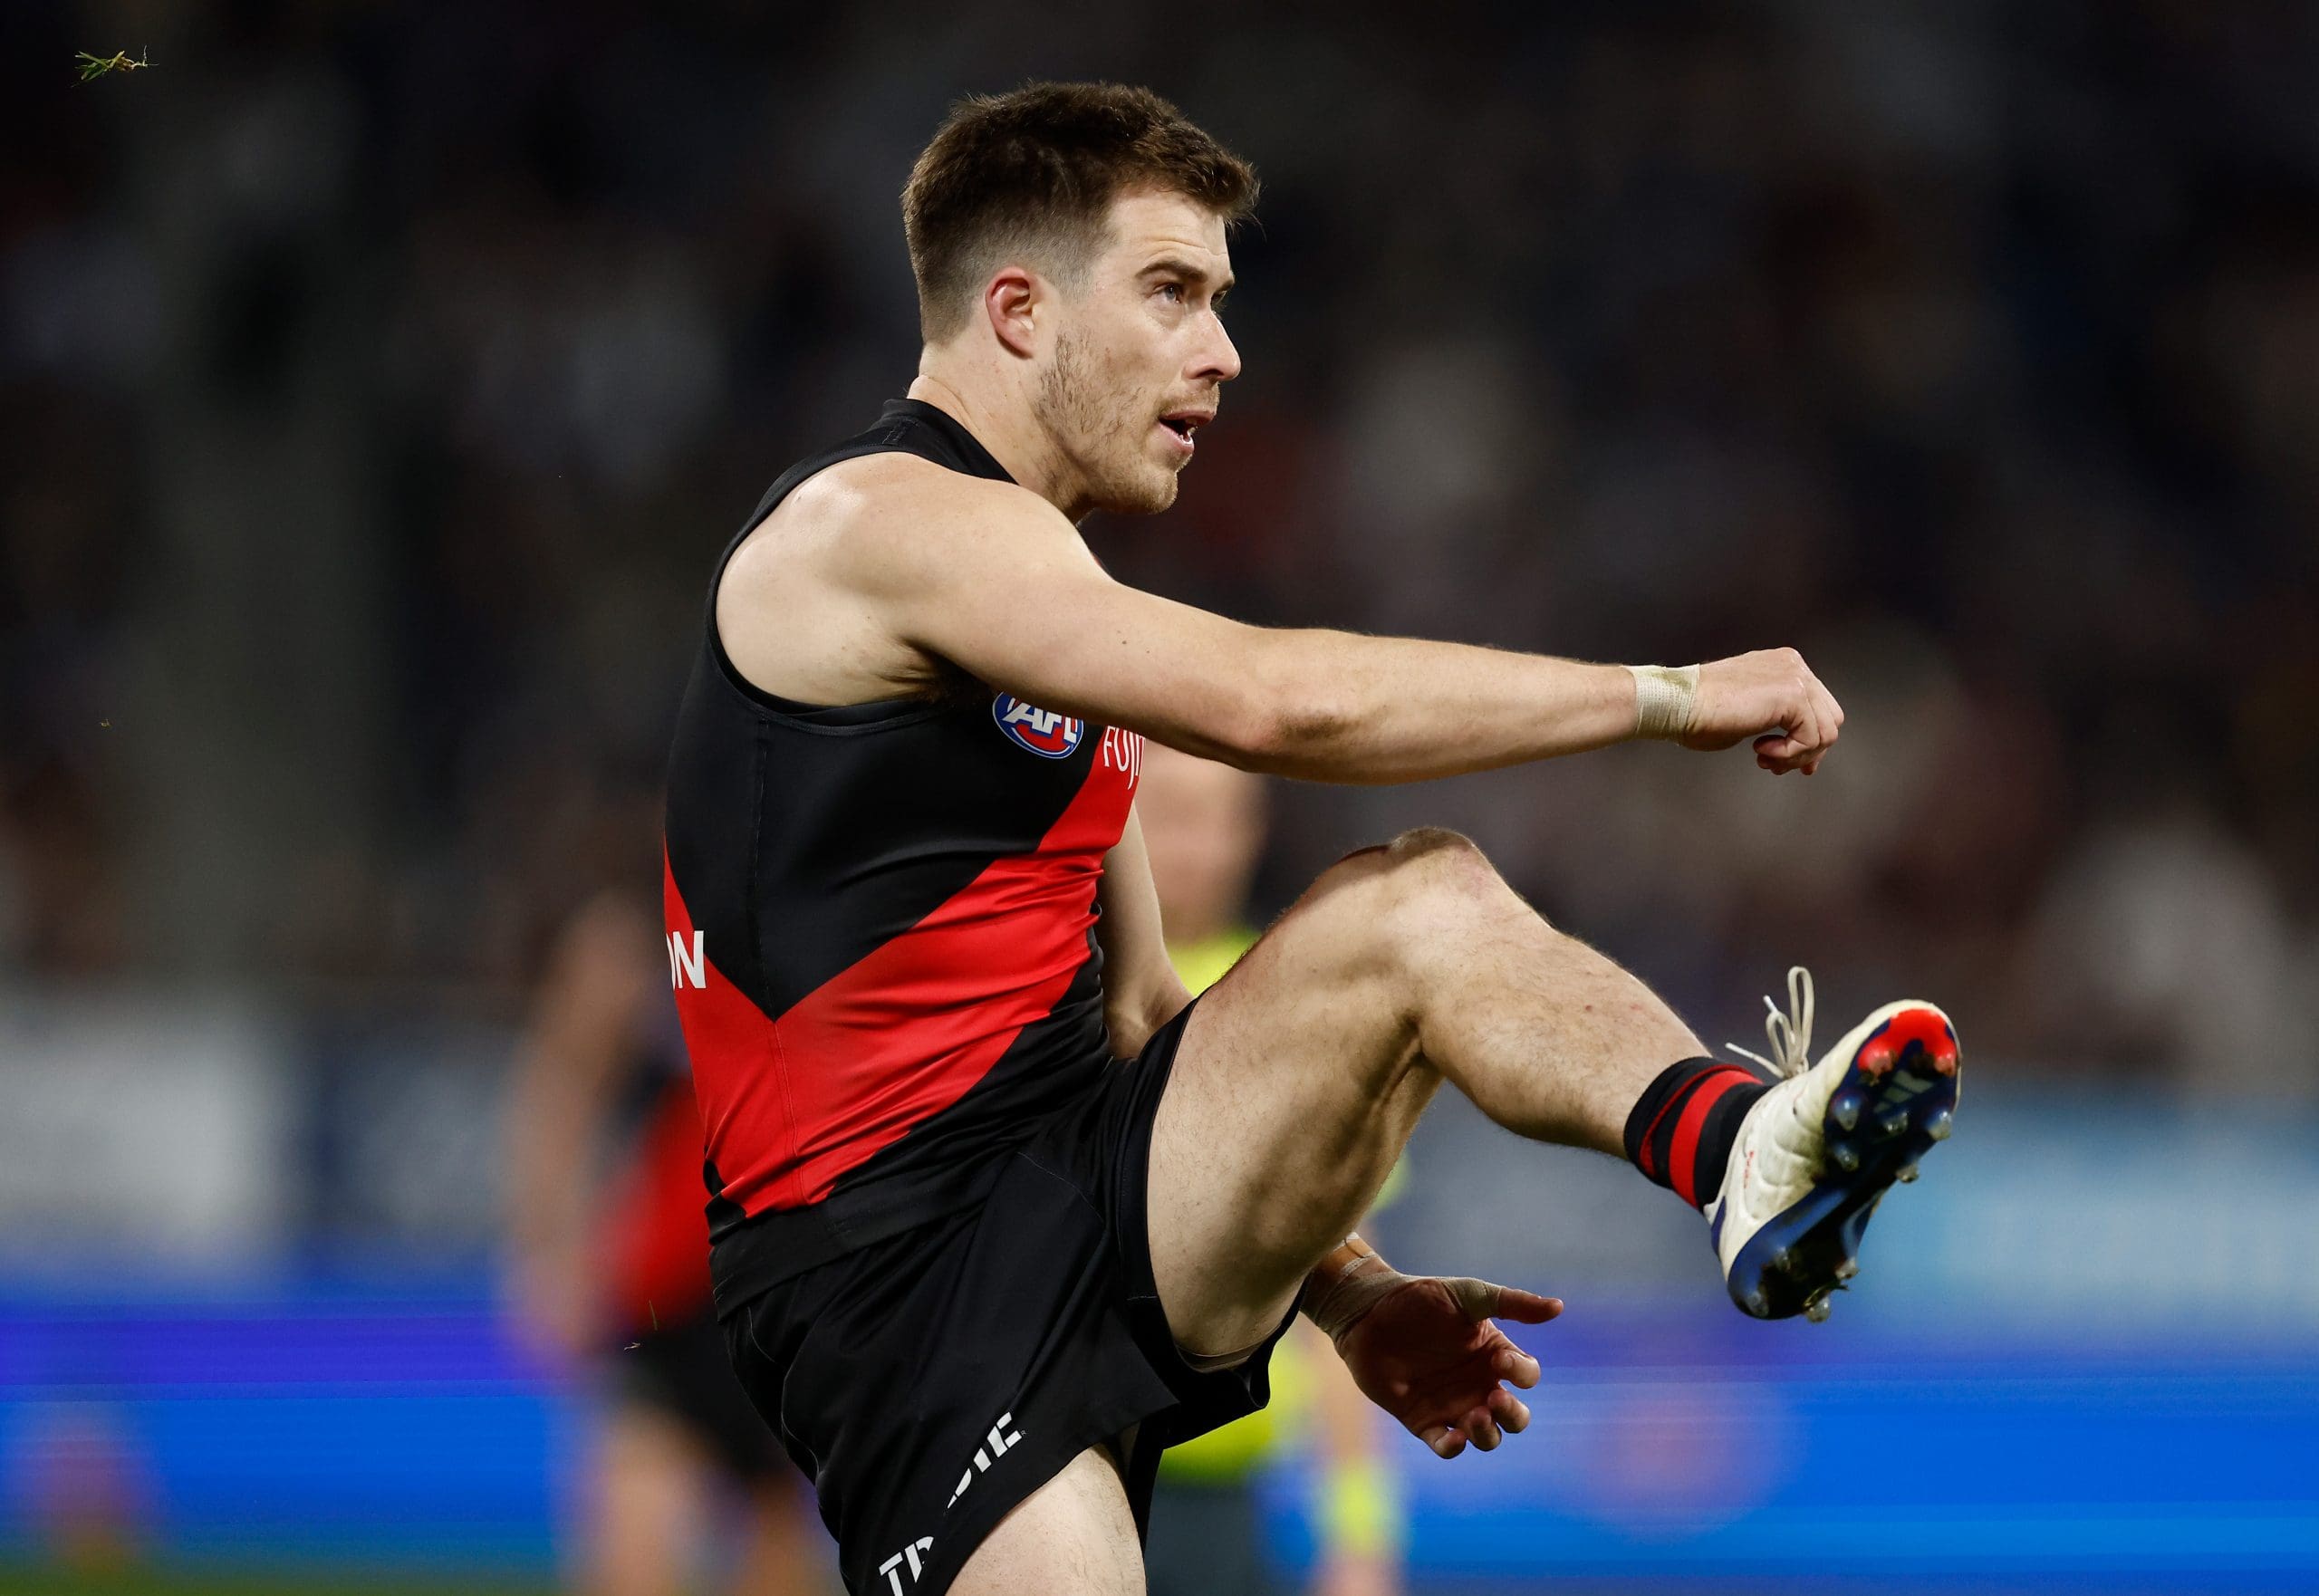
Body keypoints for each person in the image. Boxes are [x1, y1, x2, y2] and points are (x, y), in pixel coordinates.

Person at [660, 82, 1962, 1596]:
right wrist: (1672, 694)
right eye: (1171, 291)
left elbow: (1142, 1016)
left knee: (1422, 903)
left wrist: (1343, 1294)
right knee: (1405, 897)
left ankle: (1744, 1145)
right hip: (889, 1274)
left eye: (1218, 298)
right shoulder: (871, 524)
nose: (1221, 350)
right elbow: (1280, 706)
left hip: (1074, 1197)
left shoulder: (1047, 609)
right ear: (1016, 311)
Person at [505, 889, 831, 1596]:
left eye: (618, 966)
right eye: (590, 970)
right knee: (629, 1562)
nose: (607, 987)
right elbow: (553, 1170)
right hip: (660, 1340)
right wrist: (549, 1264)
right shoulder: (589, 1080)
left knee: (777, 1563)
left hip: (757, 1340)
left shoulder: (709, 1037)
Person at [1135, 744, 1403, 1596]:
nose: (1198, 846)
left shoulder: (1300, 1010)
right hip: (1062, 1467)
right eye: (1173, 813)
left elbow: (1355, 1283)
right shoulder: (1052, 996)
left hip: (1225, 1495)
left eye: (1220, 816)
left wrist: (1359, 1534)